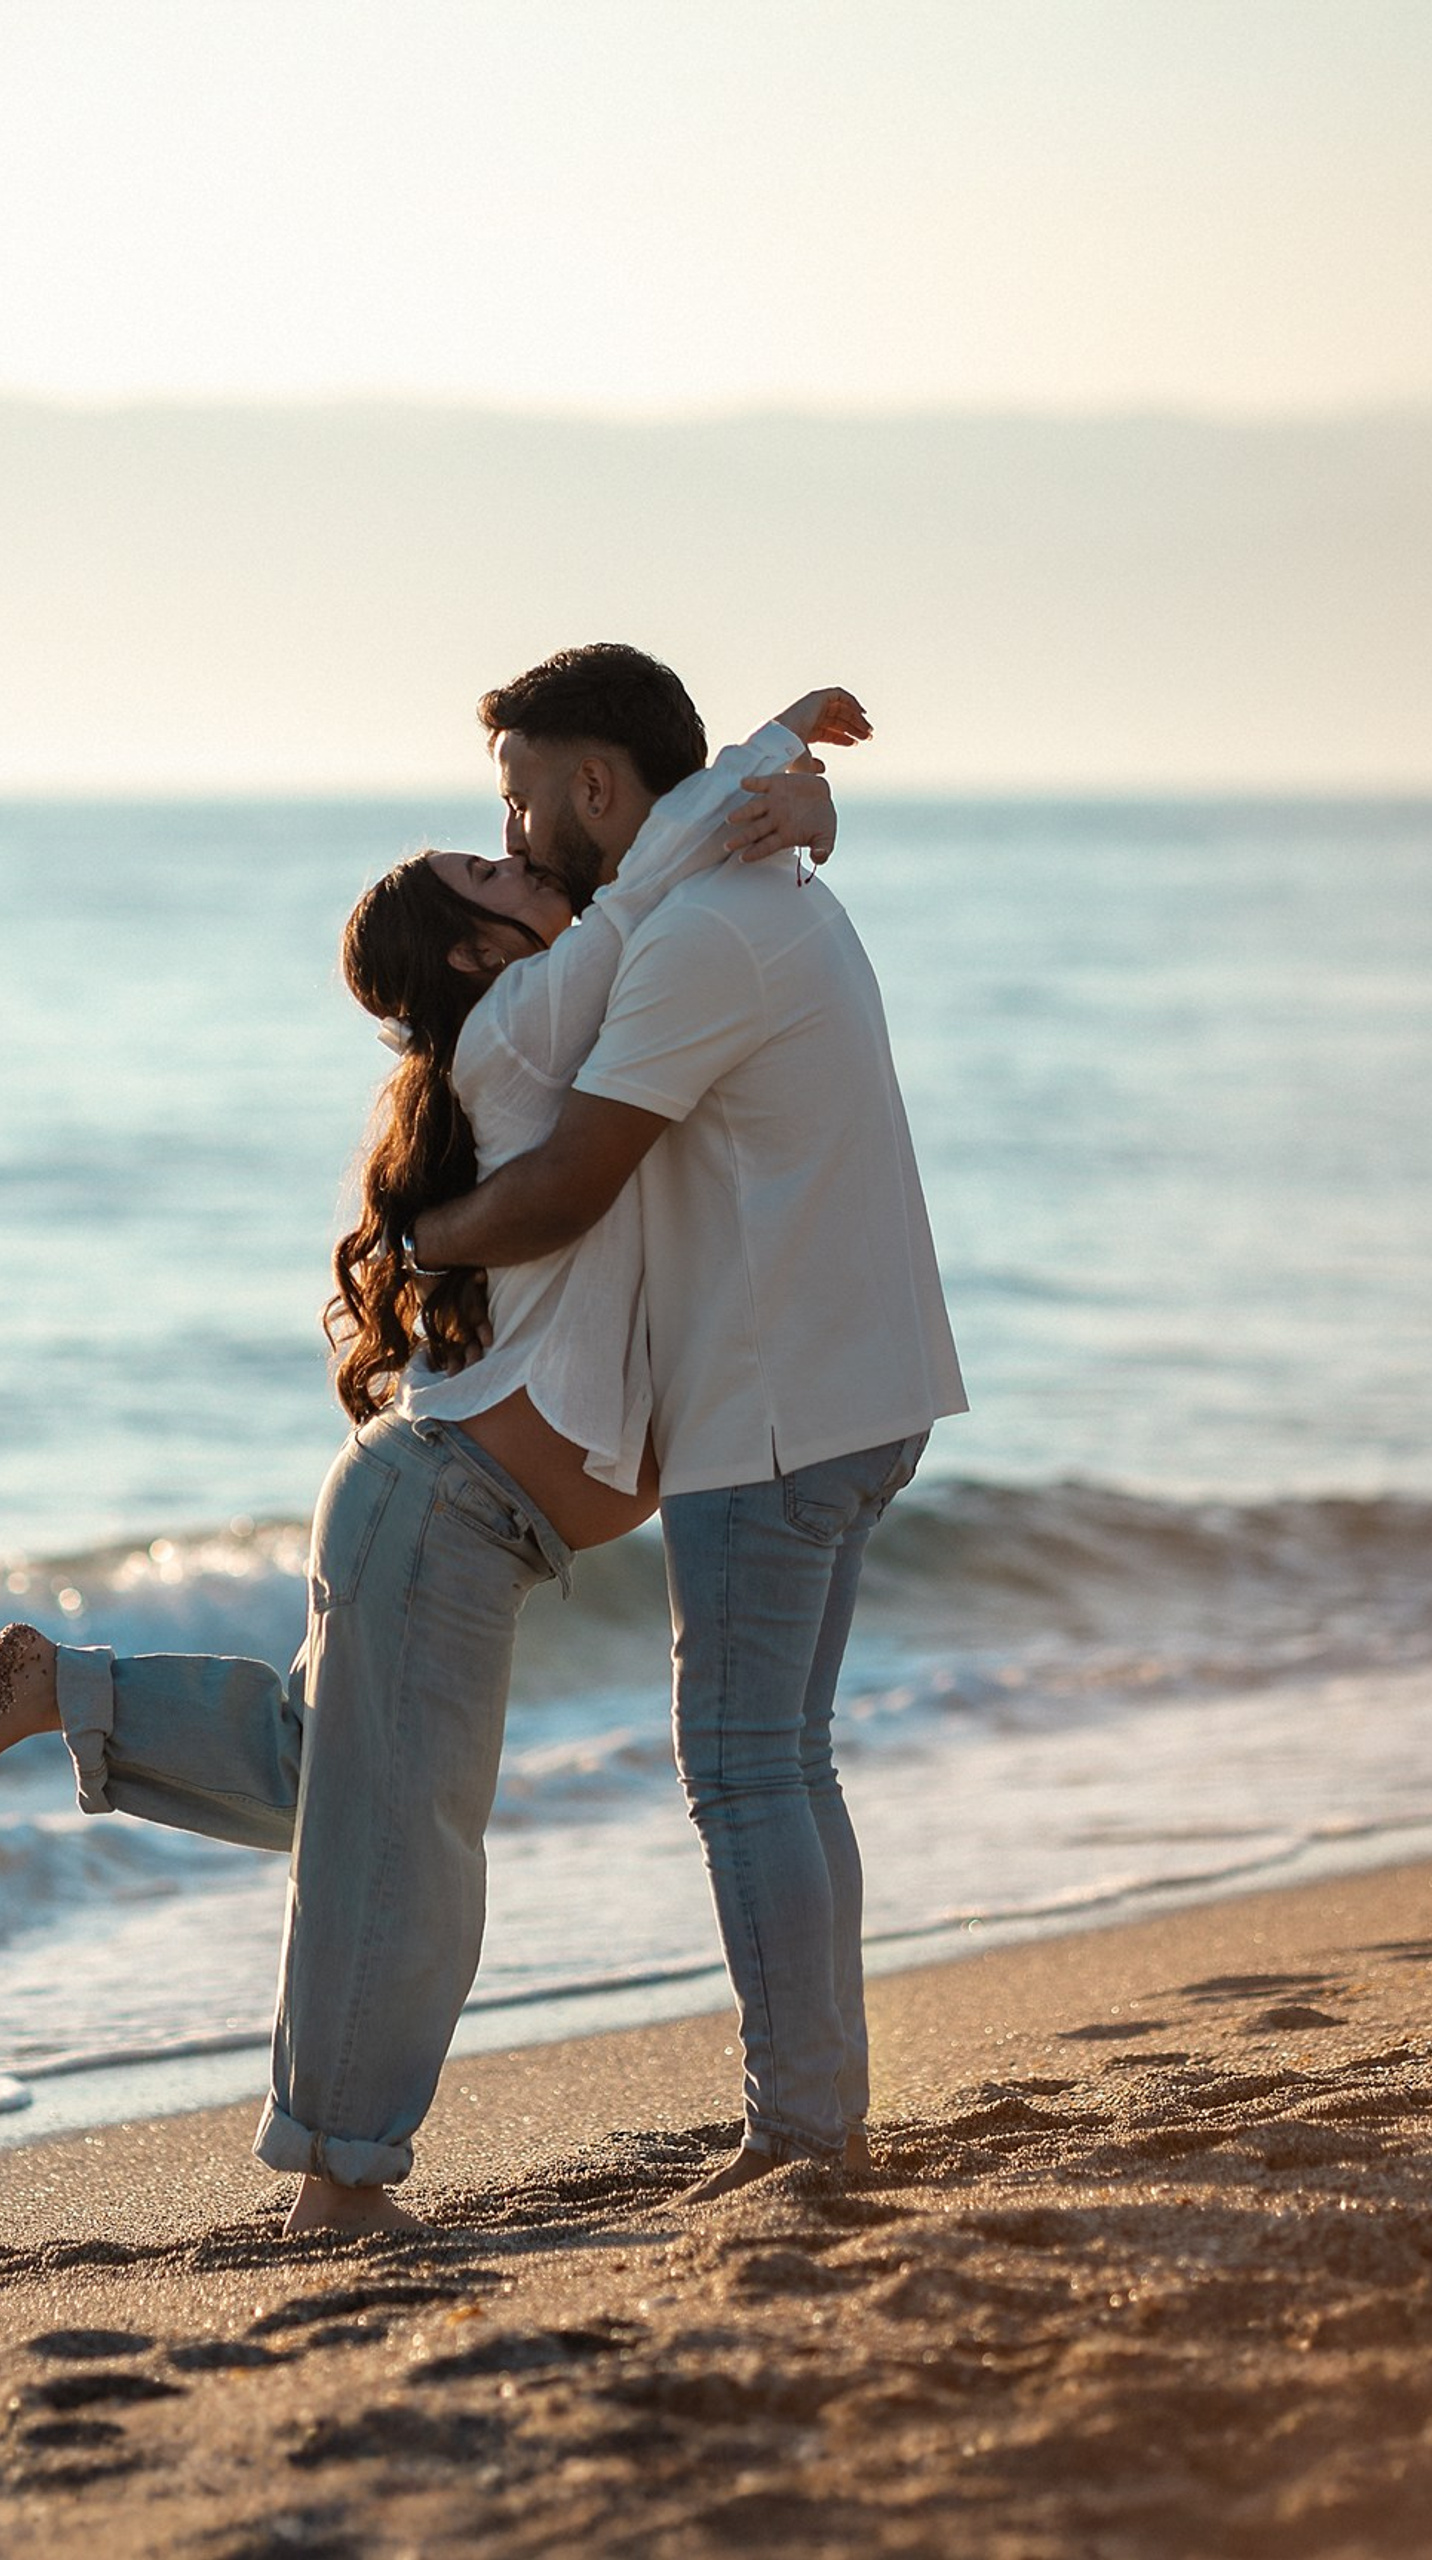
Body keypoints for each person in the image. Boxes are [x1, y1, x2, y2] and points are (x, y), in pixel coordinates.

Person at [0, 650, 859, 2233]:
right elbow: (652, 871)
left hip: (435, 1504)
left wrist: (791, 794)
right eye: (491, 868)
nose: (518, 853)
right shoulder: (530, 1023)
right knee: (398, 1859)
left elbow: (657, 859)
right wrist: (775, 754)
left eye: (511, 832)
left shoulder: (544, 1014)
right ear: (477, 951)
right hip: (444, 1510)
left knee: (335, 1781)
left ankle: (67, 1691)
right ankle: (337, 2180)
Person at [416, 645, 967, 2202]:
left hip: (776, 1410)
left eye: (521, 799)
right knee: (786, 1760)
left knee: (743, 1769)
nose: (513, 834)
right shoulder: (751, 887)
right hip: (855, 1387)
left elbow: (568, 1185)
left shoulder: (696, 940)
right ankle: (821, 2112)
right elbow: (711, 812)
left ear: (597, 786)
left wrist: (417, 1242)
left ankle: (801, 2134)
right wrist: (792, 777)